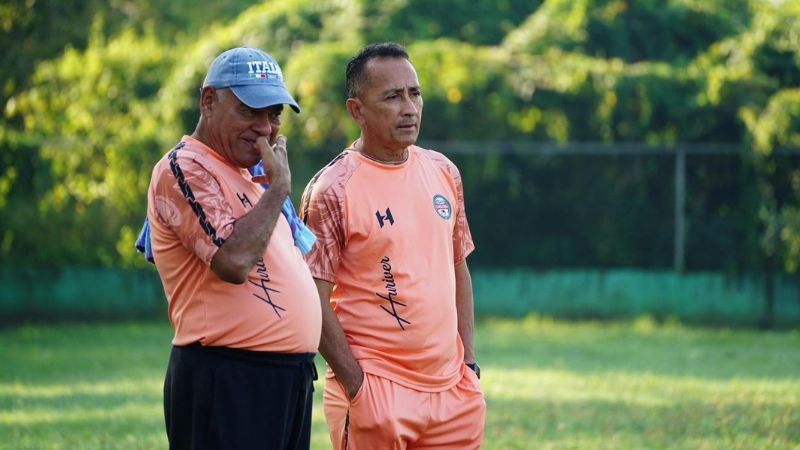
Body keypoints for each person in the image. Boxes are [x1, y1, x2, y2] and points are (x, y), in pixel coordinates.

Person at [300, 42, 486, 449]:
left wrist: (468, 364)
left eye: (414, 93)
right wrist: (358, 386)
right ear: (357, 111)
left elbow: (458, 268)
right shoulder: (332, 189)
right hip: (377, 394)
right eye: (392, 96)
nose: (409, 107)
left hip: (454, 395)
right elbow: (311, 299)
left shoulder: (443, 172)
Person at [145, 46, 321, 450]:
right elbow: (234, 261)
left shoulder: (253, 176)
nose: (264, 128)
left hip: (287, 378)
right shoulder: (185, 167)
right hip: (227, 377)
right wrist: (277, 189)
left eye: (273, 114)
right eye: (249, 111)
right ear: (209, 101)